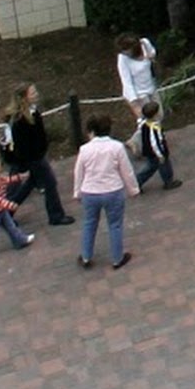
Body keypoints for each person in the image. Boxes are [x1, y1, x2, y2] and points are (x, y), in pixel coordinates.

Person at [71, 114, 139, 271]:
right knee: (115, 225)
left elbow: (79, 172)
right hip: (113, 191)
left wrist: (77, 192)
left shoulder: (85, 149)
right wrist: (133, 189)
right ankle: (117, 258)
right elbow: (126, 171)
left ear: (91, 131)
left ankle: (86, 256)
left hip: (90, 192)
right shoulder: (117, 147)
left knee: (89, 223)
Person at [1, 85, 74, 226]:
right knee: (49, 183)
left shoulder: (31, 112)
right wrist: (30, 161)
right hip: (32, 159)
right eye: (32, 92)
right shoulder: (20, 120)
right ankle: (56, 215)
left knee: (28, 185)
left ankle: (6, 214)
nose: (36, 94)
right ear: (24, 97)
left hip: (34, 157)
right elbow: (23, 145)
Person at [132, 99, 181, 190]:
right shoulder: (153, 128)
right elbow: (154, 142)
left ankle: (137, 182)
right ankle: (168, 182)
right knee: (163, 165)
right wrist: (160, 154)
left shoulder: (145, 123)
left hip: (150, 151)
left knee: (151, 167)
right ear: (155, 114)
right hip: (156, 152)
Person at [115, 35, 158, 107]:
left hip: (152, 87)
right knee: (150, 116)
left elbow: (152, 52)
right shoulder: (122, 58)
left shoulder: (145, 43)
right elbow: (126, 80)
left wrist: (151, 55)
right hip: (139, 94)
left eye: (126, 50)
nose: (124, 53)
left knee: (160, 114)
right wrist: (133, 99)